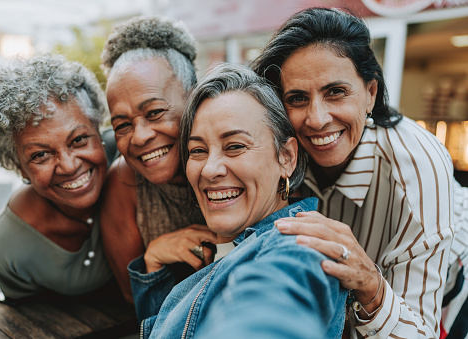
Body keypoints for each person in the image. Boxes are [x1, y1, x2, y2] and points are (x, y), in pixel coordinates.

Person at [252, 7, 462, 338]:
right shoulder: (280, 151)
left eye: (335, 92)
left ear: (371, 93)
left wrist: (370, 283)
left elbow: (420, 330)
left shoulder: (417, 164)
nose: (317, 119)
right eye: (297, 98)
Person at [128, 62, 347, 339]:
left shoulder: (297, 246)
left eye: (235, 146)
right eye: (198, 150)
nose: (209, 169)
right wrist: (154, 266)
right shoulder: (230, 247)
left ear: (286, 157)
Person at [0, 55, 113, 300]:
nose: (68, 166)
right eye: (41, 155)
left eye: (78, 140)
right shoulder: (9, 249)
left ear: (98, 130)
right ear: (18, 166)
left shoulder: (134, 160)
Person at [100, 16, 217, 303]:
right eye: (123, 125)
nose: (139, 137)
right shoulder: (124, 181)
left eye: (154, 113)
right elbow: (131, 295)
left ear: (194, 98)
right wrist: (154, 256)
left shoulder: (238, 160)